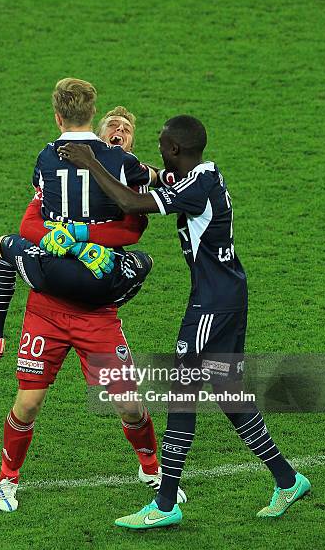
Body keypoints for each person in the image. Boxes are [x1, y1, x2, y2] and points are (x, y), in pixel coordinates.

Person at [60, 114, 311, 528]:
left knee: (181, 392)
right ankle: (287, 479)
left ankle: (164, 504)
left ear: (175, 150)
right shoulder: (204, 176)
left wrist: (92, 163)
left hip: (212, 303)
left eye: (162, 147)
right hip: (226, 295)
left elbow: (131, 203)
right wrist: (123, 162)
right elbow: (158, 182)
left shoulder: (197, 187)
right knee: (228, 393)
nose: (160, 152)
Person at [0, 79, 185, 512]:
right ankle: (6, 481)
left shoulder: (113, 165)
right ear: (93, 113)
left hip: (96, 313)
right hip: (46, 311)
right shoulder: (53, 159)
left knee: (129, 406)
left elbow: (133, 228)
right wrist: (73, 242)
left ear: (57, 115)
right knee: (27, 402)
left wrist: (78, 235)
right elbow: (31, 225)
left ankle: (151, 467)